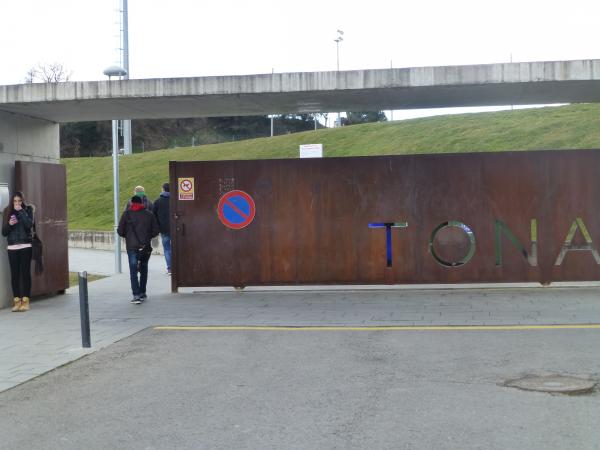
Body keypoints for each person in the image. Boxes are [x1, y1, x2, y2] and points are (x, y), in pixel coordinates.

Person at [118, 195, 159, 304]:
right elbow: (155, 231)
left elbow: (120, 231)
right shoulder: (149, 214)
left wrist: (128, 236)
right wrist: (147, 237)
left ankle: (136, 295)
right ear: (142, 203)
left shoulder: (126, 214)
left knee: (133, 271)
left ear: (131, 203)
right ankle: (142, 293)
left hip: (131, 247)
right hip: (145, 247)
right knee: (144, 268)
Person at [2, 192, 34, 312]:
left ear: (22, 201)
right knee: (15, 275)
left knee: (25, 274)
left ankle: (25, 301)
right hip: (12, 248)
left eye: (19, 201)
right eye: (15, 201)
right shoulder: (7, 211)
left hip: (25, 246)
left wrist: (21, 211)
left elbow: (29, 225)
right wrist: (9, 224)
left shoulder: (28, 209)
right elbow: (4, 232)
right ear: (12, 202)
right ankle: (16, 301)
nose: (17, 203)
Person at [153, 182, 171, 275]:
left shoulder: (157, 201)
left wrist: (157, 228)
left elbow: (153, 216)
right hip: (176, 229)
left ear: (163, 189)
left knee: (167, 249)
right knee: (178, 249)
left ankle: (170, 269)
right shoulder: (176, 200)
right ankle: (178, 268)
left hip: (163, 229)